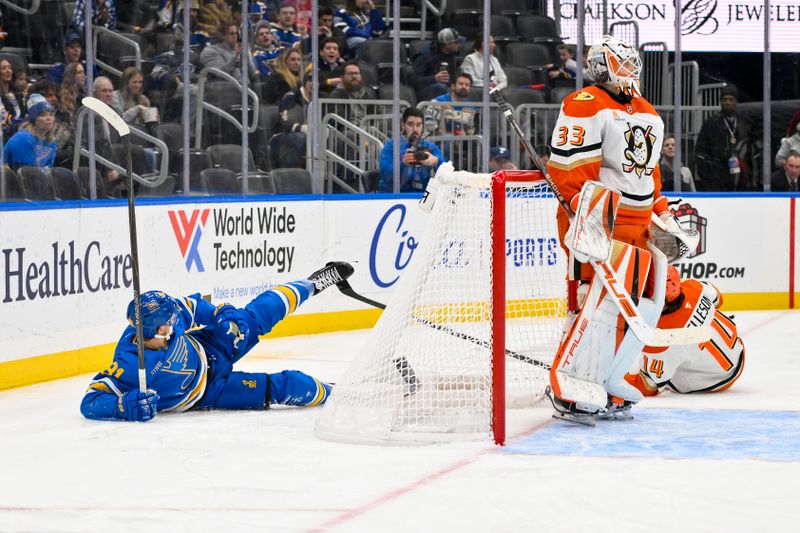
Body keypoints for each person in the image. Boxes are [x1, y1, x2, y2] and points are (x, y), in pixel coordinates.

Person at [546, 35, 678, 423]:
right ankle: (573, 383)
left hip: (638, 226)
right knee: (595, 302)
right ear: (601, 68)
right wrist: (582, 216)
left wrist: (661, 211)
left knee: (630, 308)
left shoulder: (647, 110)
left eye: (632, 62)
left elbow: (649, 172)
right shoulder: (585, 104)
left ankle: (609, 379)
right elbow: (571, 169)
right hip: (601, 219)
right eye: (622, 64)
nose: (631, 70)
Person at [79, 262, 354, 421]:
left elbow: (195, 307)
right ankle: (333, 391)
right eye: (171, 321)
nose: (177, 319)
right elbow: (90, 401)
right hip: (209, 391)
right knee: (287, 385)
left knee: (257, 315)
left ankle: (312, 283)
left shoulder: (165, 320)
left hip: (208, 346)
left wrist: (222, 314)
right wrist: (122, 406)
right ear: (161, 329)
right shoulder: (129, 364)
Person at [625, 266, 745, 396]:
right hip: (736, 353)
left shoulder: (662, 338)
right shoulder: (693, 287)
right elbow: (718, 298)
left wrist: (608, 381)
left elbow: (648, 386)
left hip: (712, 380)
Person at [695, 85, 756, 191]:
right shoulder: (711, 123)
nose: (728, 103)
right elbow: (700, 152)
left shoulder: (745, 122)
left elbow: (752, 149)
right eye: (725, 100)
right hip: (716, 180)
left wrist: (750, 176)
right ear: (720, 102)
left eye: (731, 100)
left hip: (741, 178)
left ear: (736, 102)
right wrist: (708, 179)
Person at [379, 107, 443, 193]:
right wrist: (403, 164)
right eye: (410, 124)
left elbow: (446, 171)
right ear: (403, 125)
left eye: (418, 125)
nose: (415, 129)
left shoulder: (429, 146)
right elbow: (386, 175)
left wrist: (435, 161)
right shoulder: (391, 146)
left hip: (421, 197)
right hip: (394, 196)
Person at [3, 93, 57, 170]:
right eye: (42, 115)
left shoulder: (51, 142)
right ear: (33, 119)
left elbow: (48, 170)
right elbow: (23, 174)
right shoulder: (23, 139)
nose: (48, 118)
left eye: (51, 115)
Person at [410, 28, 462, 102]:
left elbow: (452, 77)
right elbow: (413, 81)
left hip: (446, 89)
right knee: (441, 87)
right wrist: (434, 79)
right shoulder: (424, 56)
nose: (459, 44)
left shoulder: (452, 57)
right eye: (456, 42)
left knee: (462, 88)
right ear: (447, 44)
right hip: (424, 92)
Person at [274, 74, 313, 168]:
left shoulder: (322, 97)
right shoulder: (291, 98)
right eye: (311, 80)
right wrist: (302, 128)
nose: (314, 84)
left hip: (311, 134)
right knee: (299, 137)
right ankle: (293, 174)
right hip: (282, 135)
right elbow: (285, 123)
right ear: (304, 82)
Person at [424, 72, 477, 136]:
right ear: (453, 86)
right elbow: (429, 126)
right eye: (461, 84)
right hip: (439, 141)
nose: (464, 87)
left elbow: (470, 130)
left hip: (462, 142)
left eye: (467, 85)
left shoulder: (470, 107)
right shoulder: (438, 101)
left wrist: (465, 134)